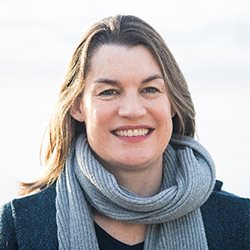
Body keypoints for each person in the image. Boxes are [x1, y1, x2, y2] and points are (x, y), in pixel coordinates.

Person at [0, 15, 249, 250]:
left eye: (150, 89)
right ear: (77, 106)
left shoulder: (240, 222)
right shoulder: (20, 227)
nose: (132, 110)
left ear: (173, 102)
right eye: (109, 91)